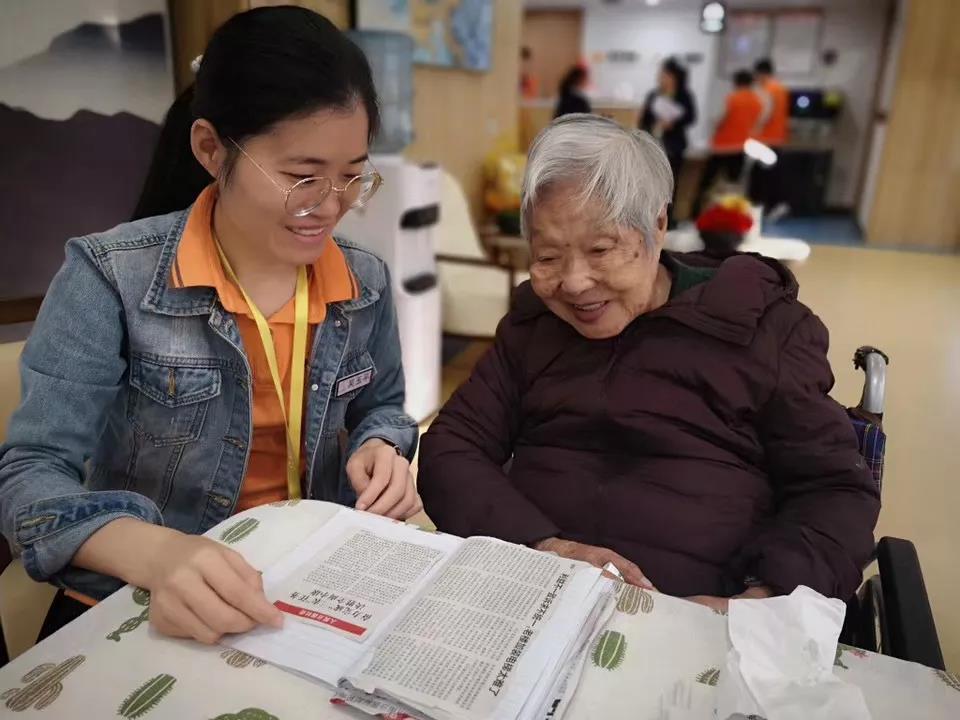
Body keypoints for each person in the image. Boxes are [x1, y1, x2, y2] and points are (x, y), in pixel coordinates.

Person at [0, 6, 421, 645]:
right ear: (210, 148)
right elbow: (30, 474)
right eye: (301, 177)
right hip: (144, 593)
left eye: (351, 176)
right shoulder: (111, 277)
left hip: (312, 580)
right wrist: (157, 553)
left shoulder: (364, 282)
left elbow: (382, 406)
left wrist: (381, 447)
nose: (330, 206)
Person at [418, 115, 879, 611]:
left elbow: (832, 491)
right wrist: (545, 547)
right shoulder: (535, 326)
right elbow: (453, 447)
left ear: (658, 226)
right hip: (534, 592)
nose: (574, 282)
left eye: (600, 250)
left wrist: (756, 601)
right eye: (547, 256)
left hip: (699, 611)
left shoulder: (763, 326)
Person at [691, 69, 763, 217]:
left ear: (736, 83)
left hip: (721, 148)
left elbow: (719, 119)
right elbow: (757, 123)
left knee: (707, 183)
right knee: (733, 186)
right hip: (740, 147)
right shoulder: (757, 102)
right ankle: (733, 215)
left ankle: (695, 214)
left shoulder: (732, 98)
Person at [640, 58, 697, 227]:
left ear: (674, 77)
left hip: (674, 146)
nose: (661, 78)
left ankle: (667, 221)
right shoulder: (654, 94)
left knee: (671, 184)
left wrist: (673, 123)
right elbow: (644, 120)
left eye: (665, 75)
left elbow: (691, 117)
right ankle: (648, 219)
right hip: (653, 144)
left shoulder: (684, 96)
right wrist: (653, 124)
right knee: (651, 183)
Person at [752, 57, 790, 211]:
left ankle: (762, 206)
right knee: (774, 174)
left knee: (760, 176)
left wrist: (752, 129)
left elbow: (764, 114)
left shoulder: (765, 90)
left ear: (761, 73)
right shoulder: (781, 89)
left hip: (764, 138)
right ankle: (776, 204)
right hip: (777, 138)